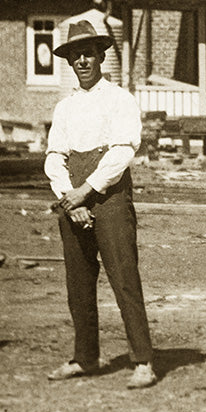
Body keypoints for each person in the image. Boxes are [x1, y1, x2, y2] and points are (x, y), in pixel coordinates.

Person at [43, 20, 156, 389]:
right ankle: (85, 358)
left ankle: (142, 360)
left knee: (124, 277)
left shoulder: (119, 99)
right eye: (76, 56)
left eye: (88, 54)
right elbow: (53, 156)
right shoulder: (64, 108)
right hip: (72, 198)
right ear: (70, 62)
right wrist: (68, 197)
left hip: (109, 197)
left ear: (101, 55)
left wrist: (86, 191)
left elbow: (123, 150)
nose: (82, 61)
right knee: (78, 283)